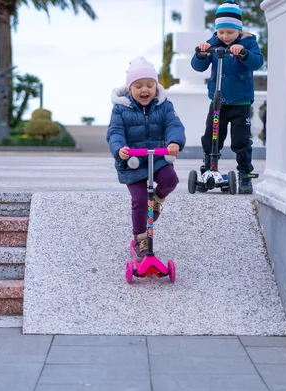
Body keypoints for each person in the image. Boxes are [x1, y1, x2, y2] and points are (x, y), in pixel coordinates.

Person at [107, 57, 186, 260]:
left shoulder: (164, 105)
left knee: (170, 179)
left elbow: (174, 125)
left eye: (150, 85)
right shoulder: (120, 108)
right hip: (132, 160)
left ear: (156, 86)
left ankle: (157, 200)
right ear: (129, 88)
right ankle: (140, 239)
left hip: (157, 156)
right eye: (138, 86)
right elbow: (115, 132)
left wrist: (173, 142)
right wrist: (120, 149)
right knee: (140, 200)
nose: (145, 90)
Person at [191, 0, 264, 194]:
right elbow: (197, 66)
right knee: (211, 137)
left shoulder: (248, 42)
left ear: (239, 30)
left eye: (229, 33)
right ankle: (208, 169)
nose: (224, 36)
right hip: (218, 103)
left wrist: (244, 54)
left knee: (241, 140)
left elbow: (257, 62)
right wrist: (202, 54)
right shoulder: (213, 42)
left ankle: (245, 174)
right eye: (221, 32)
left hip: (240, 102)